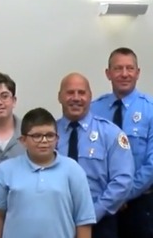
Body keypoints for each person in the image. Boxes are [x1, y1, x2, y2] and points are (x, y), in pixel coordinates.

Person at [0, 107, 96, 238]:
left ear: (57, 139)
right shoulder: (5, 170)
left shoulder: (73, 170)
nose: (44, 141)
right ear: (23, 140)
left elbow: (83, 220)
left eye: (50, 135)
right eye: (37, 136)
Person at [56, 72, 135, 238]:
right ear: (60, 97)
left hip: (100, 222)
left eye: (82, 93)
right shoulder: (49, 134)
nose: (76, 98)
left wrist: (91, 214)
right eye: (70, 93)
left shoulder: (110, 133)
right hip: (57, 222)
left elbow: (123, 180)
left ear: (90, 97)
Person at [90, 47, 153, 238]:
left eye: (129, 68)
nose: (124, 74)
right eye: (118, 69)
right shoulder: (93, 110)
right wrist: (109, 199)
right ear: (108, 73)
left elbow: (152, 164)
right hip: (101, 205)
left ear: (138, 73)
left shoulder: (150, 109)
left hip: (139, 204)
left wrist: (123, 194)